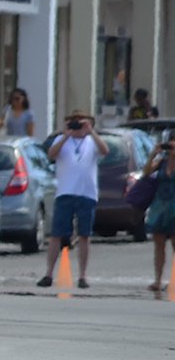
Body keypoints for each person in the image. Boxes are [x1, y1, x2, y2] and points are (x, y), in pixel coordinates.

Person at [38, 111, 109, 289]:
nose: (77, 126)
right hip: (65, 192)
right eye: (73, 122)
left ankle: (83, 276)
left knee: (84, 235)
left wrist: (91, 131)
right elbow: (51, 155)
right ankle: (48, 273)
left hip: (87, 193)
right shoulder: (61, 141)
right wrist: (65, 135)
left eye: (80, 123)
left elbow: (105, 151)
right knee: (57, 234)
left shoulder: (92, 141)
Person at [140, 136, 175, 293]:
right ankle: (158, 280)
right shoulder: (162, 161)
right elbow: (146, 173)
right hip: (160, 206)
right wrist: (153, 154)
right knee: (159, 244)